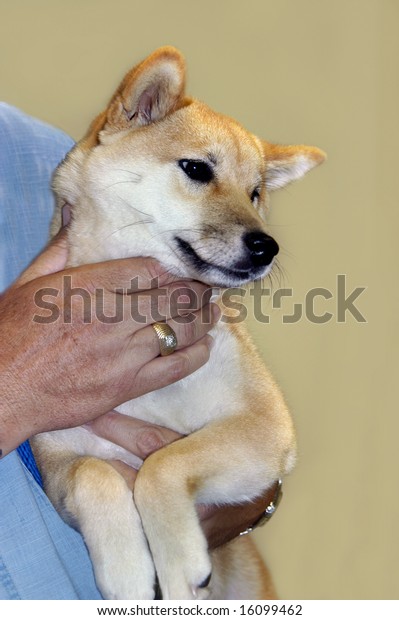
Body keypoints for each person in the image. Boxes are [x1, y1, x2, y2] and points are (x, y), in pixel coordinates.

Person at [0, 103, 276, 600]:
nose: (250, 215)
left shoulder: (42, 153)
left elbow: (264, 440)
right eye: (198, 171)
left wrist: (242, 492)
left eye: (256, 192)